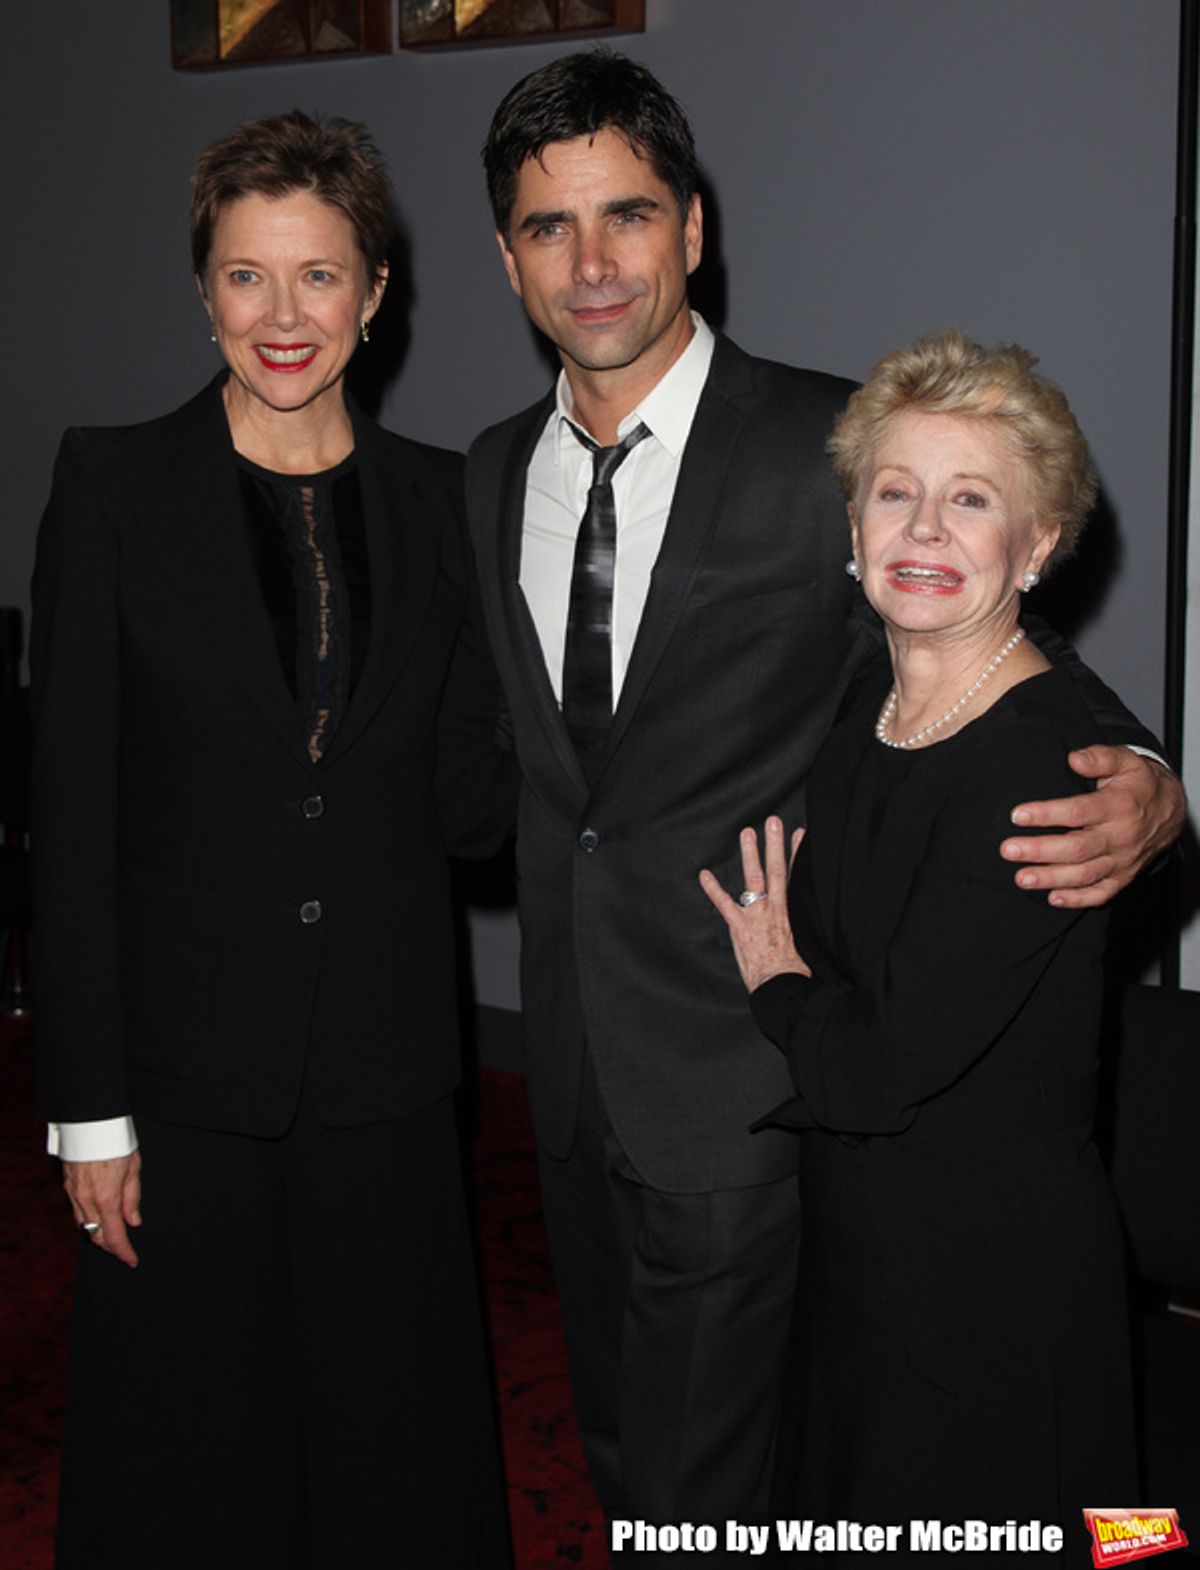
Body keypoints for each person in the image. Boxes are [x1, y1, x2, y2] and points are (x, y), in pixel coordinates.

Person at [466, 48, 1181, 1540]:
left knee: (716, 1475)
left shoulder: (826, 447)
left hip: (755, 1059)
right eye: (550, 226)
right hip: (572, 1056)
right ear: (507, 255)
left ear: (693, 229)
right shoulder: (483, 473)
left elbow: (975, 633)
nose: (594, 263)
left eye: (630, 214)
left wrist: (1153, 774)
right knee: (615, 1429)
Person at [32, 111, 513, 1570]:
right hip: (179, 1076)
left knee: (387, 1431)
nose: (284, 316)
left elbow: (470, 806)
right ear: (204, 290)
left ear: (377, 292)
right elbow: (71, 814)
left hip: (382, 1066)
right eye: (249, 277)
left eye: (319, 277)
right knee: (192, 1442)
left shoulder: (446, 501)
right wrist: (88, 1108)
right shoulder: (112, 486)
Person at [702, 328, 1138, 1555]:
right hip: (868, 1246)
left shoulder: (1042, 769)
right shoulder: (874, 705)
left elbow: (876, 1061)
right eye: (895, 493)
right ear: (853, 531)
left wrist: (780, 987)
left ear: (1037, 544)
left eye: (972, 499)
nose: (926, 530)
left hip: (991, 1280)